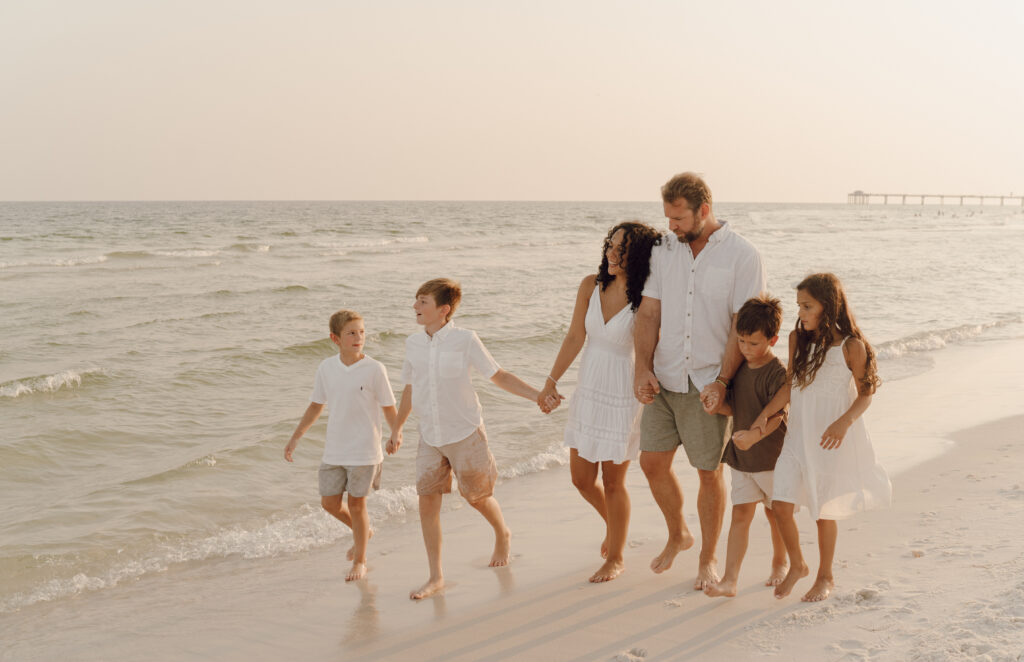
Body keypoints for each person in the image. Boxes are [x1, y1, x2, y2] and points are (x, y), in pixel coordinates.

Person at [633, 172, 767, 590]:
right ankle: (679, 533)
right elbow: (649, 313)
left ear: (704, 211)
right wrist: (642, 367)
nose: (670, 226)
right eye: (667, 218)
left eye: (678, 218)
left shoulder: (743, 256)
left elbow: (740, 326)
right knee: (652, 463)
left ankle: (708, 558)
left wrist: (723, 381)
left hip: (709, 379)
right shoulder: (662, 251)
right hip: (664, 377)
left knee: (708, 471)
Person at [390, 278, 543, 600]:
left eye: (422, 302)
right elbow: (409, 387)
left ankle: (502, 532)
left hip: (464, 432)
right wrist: (397, 428)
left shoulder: (465, 339)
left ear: (443, 310)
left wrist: (537, 396)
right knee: (427, 503)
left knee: (476, 496)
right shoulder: (412, 344)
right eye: (416, 301)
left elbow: (498, 375)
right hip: (430, 434)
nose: (415, 307)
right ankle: (436, 577)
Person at [754, 273, 892, 602]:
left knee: (822, 511)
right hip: (798, 438)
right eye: (799, 305)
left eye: (807, 306)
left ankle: (825, 575)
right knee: (781, 504)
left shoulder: (851, 346)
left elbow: (866, 393)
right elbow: (789, 386)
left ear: (827, 307)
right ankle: (798, 564)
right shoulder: (797, 340)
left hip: (829, 440)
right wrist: (763, 417)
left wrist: (844, 423)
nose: (800, 312)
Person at [538, 221, 662, 583]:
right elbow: (575, 335)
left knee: (612, 481)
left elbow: (651, 349)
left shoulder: (646, 297)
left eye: (621, 248)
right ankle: (615, 523)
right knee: (580, 478)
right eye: (610, 244)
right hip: (590, 387)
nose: (611, 252)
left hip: (622, 392)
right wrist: (550, 382)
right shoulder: (589, 286)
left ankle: (617, 556)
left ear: (636, 255)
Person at [284, 309, 400, 582]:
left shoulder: (375, 369)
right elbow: (316, 405)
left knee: (357, 505)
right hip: (335, 448)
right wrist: (296, 436)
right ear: (335, 338)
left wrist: (397, 433)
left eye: (361, 331)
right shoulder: (326, 368)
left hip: (365, 449)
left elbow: (389, 407)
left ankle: (360, 560)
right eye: (351, 333)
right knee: (329, 503)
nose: (359, 337)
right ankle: (364, 533)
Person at [703, 295, 790, 598]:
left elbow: (779, 416)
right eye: (741, 341)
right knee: (740, 515)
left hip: (771, 458)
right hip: (742, 458)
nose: (746, 349)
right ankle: (729, 580)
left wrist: (756, 435)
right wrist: (717, 406)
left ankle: (780, 562)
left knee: (776, 513)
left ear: (773, 339)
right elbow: (736, 409)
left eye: (753, 343)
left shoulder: (776, 373)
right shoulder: (738, 368)